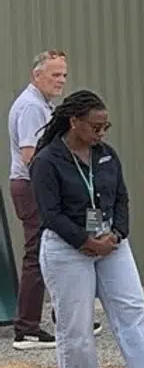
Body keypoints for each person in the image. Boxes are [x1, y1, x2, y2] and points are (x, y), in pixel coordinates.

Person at [28, 91, 144, 368]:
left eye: (105, 127)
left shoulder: (107, 156)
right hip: (67, 248)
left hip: (111, 245)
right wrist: (84, 240)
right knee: (76, 324)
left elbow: (122, 200)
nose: (101, 134)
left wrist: (118, 234)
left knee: (132, 312)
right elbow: (49, 214)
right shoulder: (47, 161)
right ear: (74, 122)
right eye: (95, 127)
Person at [8, 49, 95, 349]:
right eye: (55, 75)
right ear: (37, 75)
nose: (61, 81)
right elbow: (30, 154)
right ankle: (28, 328)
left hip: (38, 187)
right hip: (32, 187)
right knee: (37, 252)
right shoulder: (32, 107)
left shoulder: (44, 105)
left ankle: (65, 315)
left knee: (56, 247)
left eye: (64, 75)